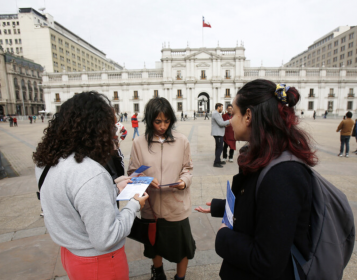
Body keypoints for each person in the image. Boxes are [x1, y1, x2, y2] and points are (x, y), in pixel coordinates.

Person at [195, 79, 318, 280]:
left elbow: (267, 261)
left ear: (249, 116)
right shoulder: (267, 157)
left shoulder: (284, 174)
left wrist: (224, 237)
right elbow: (263, 207)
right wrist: (221, 207)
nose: (230, 120)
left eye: (234, 113)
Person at [32, 91, 149, 280]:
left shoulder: (47, 161)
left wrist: (111, 186)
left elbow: (73, 197)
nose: (113, 133)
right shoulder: (90, 173)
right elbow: (106, 238)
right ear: (95, 129)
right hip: (99, 263)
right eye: (110, 128)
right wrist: (134, 205)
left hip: (71, 254)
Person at [128, 97, 194, 280]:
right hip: (151, 207)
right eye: (158, 121)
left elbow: (188, 168)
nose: (163, 126)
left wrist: (184, 181)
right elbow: (132, 173)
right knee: (154, 244)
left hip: (177, 205)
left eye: (167, 121)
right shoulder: (138, 143)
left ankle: (180, 278)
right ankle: (158, 274)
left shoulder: (182, 141)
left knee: (182, 247)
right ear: (150, 120)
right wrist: (146, 180)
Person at [211, 103, 230, 168]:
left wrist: (225, 124)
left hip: (218, 133)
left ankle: (218, 160)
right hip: (218, 134)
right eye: (222, 107)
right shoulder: (215, 114)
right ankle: (216, 162)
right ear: (218, 107)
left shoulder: (217, 114)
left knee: (218, 148)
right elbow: (221, 123)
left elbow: (220, 123)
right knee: (220, 148)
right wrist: (229, 121)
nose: (222, 109)